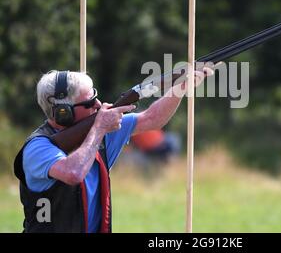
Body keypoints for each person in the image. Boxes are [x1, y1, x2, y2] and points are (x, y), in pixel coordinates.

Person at [13, 67, 212, 233]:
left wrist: (181, 87)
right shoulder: (38, 147)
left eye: (96, 97)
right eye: (90, 102)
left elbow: (152, 119)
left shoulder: (99, 131)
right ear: (63, 112)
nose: (98, 105)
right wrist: (99, 128)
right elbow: (73, 173)